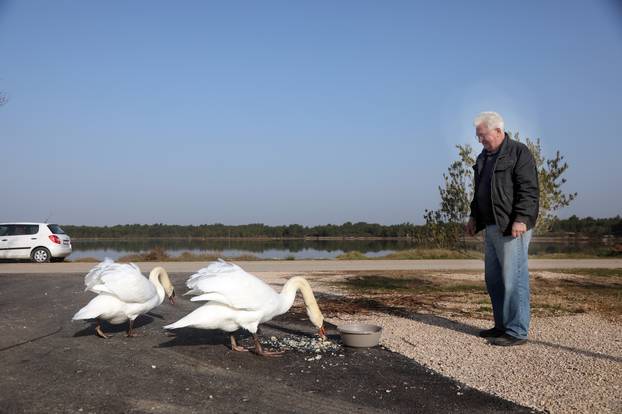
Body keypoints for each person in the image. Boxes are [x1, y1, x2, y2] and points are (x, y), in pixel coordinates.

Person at [465, 111, 539, 346]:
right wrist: (473, 216)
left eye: (483, 136)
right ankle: (501, 325)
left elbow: (529, 189)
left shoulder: (518, 152)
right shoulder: (483, 158)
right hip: (490, 225)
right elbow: (480, 192)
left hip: (511, 226)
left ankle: (516, 331)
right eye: (478, 137)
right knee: (494, 279)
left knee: (513, 278)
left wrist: (522, 219)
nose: (480, 141)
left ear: (498, 131)